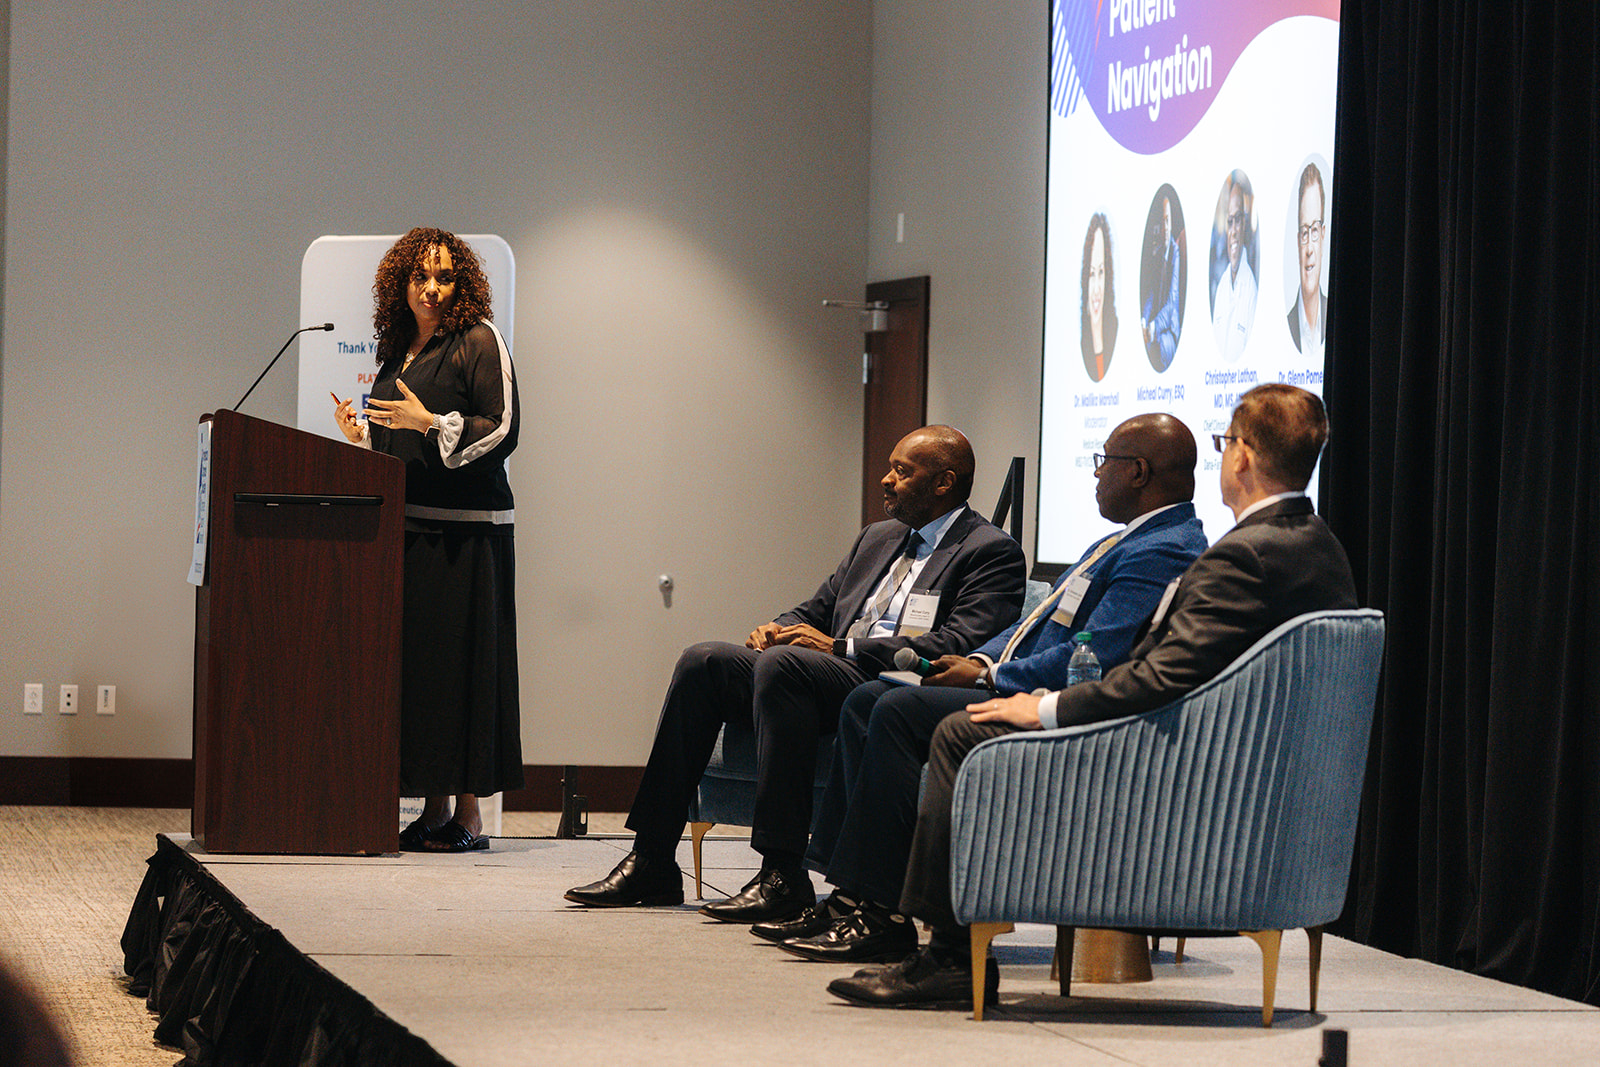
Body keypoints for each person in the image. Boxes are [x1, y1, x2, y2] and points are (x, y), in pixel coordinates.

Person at [826, 384, 1358, 1009]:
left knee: (956, 729)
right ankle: (891, 918)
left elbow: (1156, 675)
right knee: (903, 707)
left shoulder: (1240, 556)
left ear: (1241, 456)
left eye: (1226, 444)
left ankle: (943, 954)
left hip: (1170, 762)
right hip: (1227, 760)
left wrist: (1043, 706)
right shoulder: (1319, 547)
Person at [763, 414, 1208, 963]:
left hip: (1050, 703)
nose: (1096, 476)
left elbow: (1096, 655)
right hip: (1016, 680)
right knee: (866, 699)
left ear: (1137, 471)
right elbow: (1030, 629)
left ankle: (882, 913)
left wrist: (988, 675)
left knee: (896, 709)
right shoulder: (1124, 540)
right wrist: (977, 657)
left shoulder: (1162, 549)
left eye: (1104, 463)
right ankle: (851, 896)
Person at [564, 426, 1027, 923]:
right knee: (704, 661)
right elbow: (818, 610)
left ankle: (782, 873)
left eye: (902, 471)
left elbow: (955, 646)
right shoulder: (878, 537)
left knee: (785, 666)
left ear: (943, 483)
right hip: (818, 673)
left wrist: (840, 648)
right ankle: (653, 858)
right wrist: (778, 628)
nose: (887, 480)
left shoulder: (989, 550)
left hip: (886, 684)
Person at [331, 227, 522, 853]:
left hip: (468, 539)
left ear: (462, 284)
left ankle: (469, 815)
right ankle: (434, 809)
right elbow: (401, 439)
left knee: (464, 672)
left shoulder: (479, 340)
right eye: (420, 277)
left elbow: (503, 428)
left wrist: (433, 422)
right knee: (427, 676)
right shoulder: (397, 350)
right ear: (402, 285)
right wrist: (363, 436)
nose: (432, 289)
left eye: (444, 277)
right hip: (410, 534)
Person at [1212, 173, 1258, 362]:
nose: (1233, 232)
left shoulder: (1252, 291)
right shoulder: (1222, 286)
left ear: (1245, 223)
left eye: (1237, 220)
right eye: (1229, 222)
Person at [1287, 164, 1328, 359]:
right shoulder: (1288, 324)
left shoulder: (1335, 317)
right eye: (1304, 232)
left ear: (1323, 235)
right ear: (1297, 242)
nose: (1309, 249)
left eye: (1315, 230)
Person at [1141, 197, 1182, 370]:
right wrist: (1144, 320)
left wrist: (1153, 327)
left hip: (1169, 331)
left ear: (1171, 224)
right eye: (1162, 222)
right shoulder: (1158, 255)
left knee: (1160, 347)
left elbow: (1172, 304)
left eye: (1168, 221)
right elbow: (1151, 294)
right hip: (1156, 327)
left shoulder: (1175, 254)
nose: (1165, 228)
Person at [1080, 214, 1118, 382]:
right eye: (1091, 274)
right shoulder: (1081, 344)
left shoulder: (1115, 330)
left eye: (1101, 272)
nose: (1096, 289)